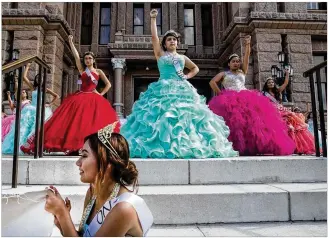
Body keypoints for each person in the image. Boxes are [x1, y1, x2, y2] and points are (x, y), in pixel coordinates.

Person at [120, 9, 238, 158]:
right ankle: (163, 146)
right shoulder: (160, 54)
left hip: (182, 88)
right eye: (169, 39)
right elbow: (154, 37)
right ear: (165, 43)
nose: (172, 41)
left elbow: (195, 68)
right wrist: (153, 19)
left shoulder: (182, 58)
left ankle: (185, 146)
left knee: (185, 118)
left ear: (177, 42)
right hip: (162, 89)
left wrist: (187, 75)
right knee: (162, 118)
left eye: (174, 39)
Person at [44, 122, 153, 237]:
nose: (78, 163)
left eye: (84, 156)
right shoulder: (92, 193)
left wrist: (62, 213)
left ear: (106, 163)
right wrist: (62, 223)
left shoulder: (123, 209)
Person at [21, 35, 120, 155]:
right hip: (80, 98)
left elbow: (108, 84)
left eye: (89, 58)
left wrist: (100, 94)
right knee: (75, 123)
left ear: (93, 60)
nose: (87, 60)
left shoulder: (98, 72)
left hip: (93, 99)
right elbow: (76, 57)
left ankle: (91, 147)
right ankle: (76, 147)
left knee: (90, 123)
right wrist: (71, 43)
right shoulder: (82, 71)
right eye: (86, 59)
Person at [208, 35, 295, 156]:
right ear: (229, 63)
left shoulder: (242, 71)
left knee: (252, 122)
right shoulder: (224, 73)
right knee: (234, 124)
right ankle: (234, 146)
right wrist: (220, 93)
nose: (236, 63)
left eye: (238, 61)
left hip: (245, 97)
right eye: (233, 61)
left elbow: (247, 57)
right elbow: (212, 82)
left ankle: (254, 146)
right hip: (230, 99)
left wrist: (247, 44)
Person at [2, 63, 58, 154]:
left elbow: (56, 96)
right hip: (31, 109)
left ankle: (37, 147)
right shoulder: (33, 88)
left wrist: (48, 104)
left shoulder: (45, 89)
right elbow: (24, 77)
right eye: (37, 78)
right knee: (25, 128)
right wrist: (27, 66)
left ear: (43, 80)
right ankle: (23, 146)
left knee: (39, 129)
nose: (39, 79)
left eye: (41, 78)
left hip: (41, 110)